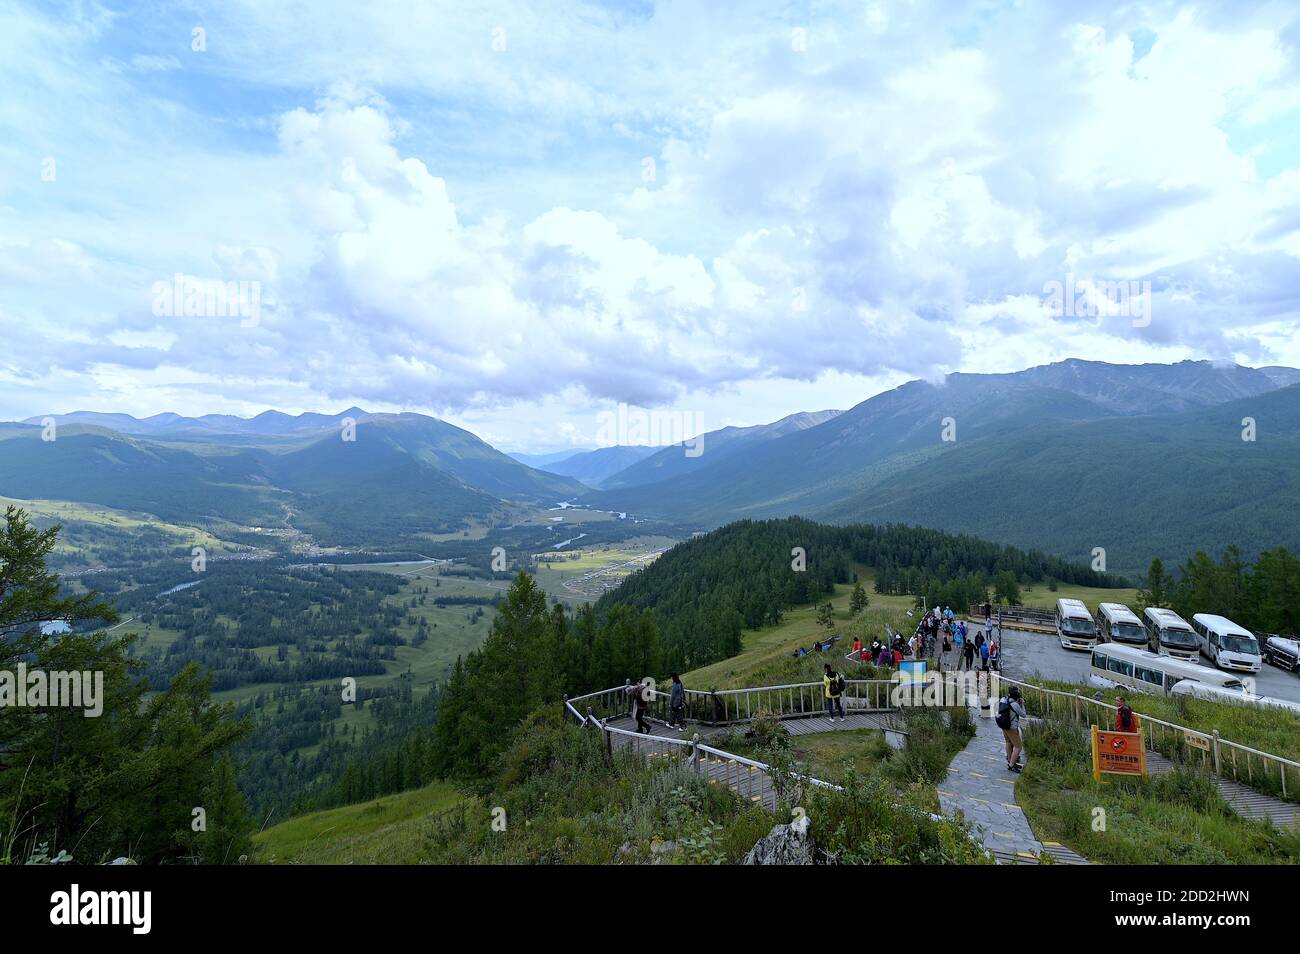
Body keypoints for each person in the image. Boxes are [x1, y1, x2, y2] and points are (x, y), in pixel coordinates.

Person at [995, 687, 1027, 772]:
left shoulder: (1003, 699)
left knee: (1008, 742)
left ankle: (1010, 760)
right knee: (1018, 747)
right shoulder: (1015, 704)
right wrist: (1022, 704)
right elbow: (1024, 714)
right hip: (1012, 727)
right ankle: (1012, 765)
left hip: (1003, 725)